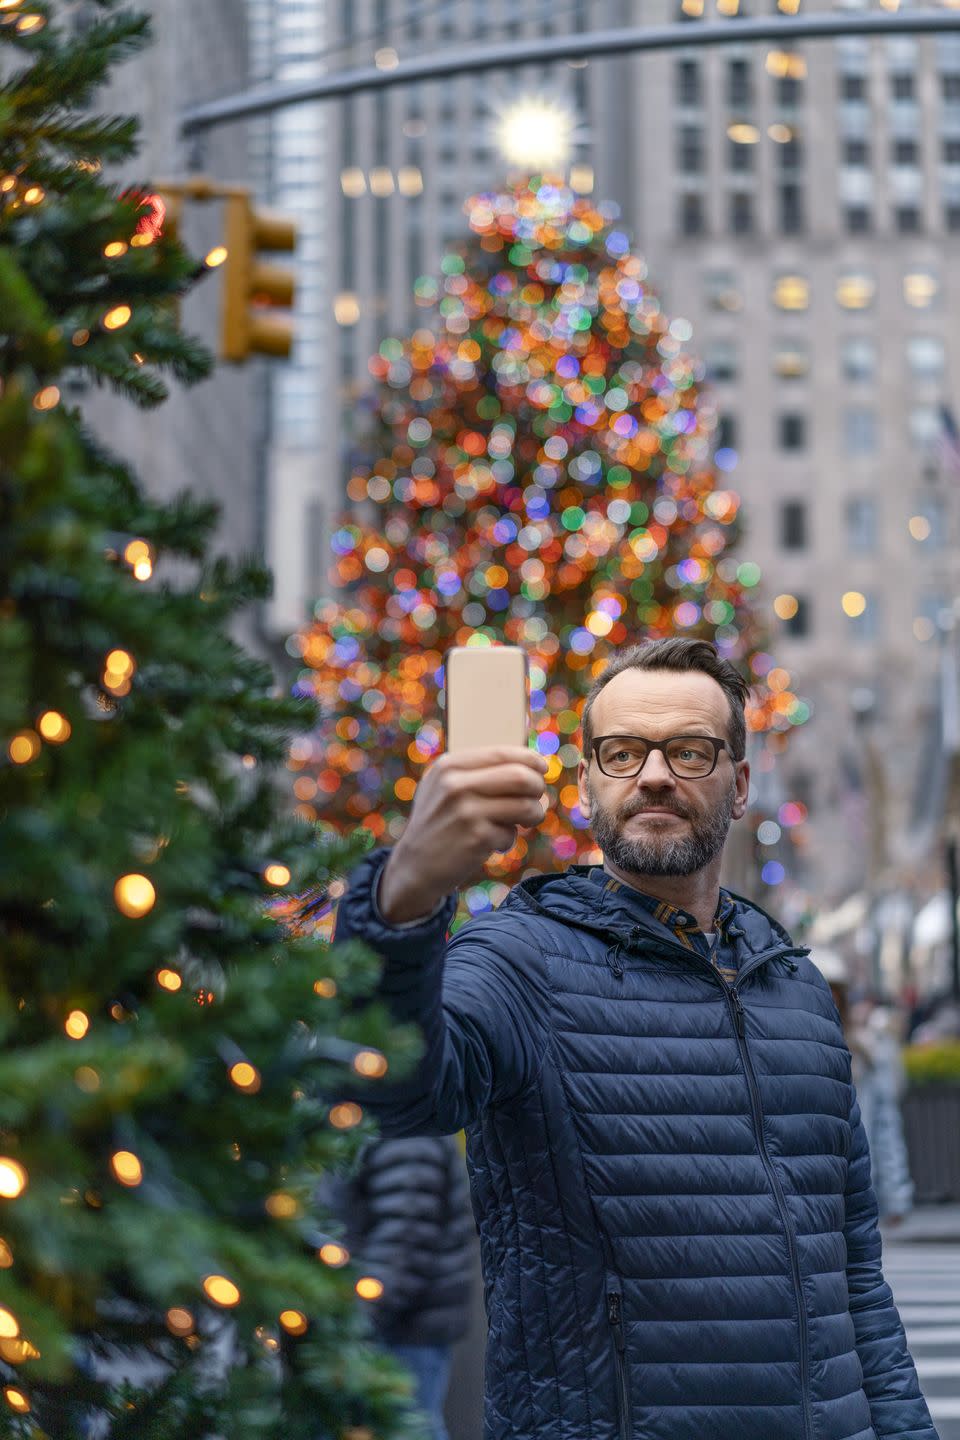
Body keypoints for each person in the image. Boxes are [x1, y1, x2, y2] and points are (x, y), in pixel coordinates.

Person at [334, 637, 938, 1440]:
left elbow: (856, 1277)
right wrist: (403, 898)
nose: (654, 775)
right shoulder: (519, 959)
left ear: (740, 783)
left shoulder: (794, 986)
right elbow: (392, 1089)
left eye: (689, 751)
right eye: (622, 753)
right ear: (587, 781)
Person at [337, 1135, 473, 1440]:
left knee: (410, 1427)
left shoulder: (407, 1128)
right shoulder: (386, 1118)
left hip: (402, 1327)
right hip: (395, 1321)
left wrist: (358, 1318)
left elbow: (404, 1242)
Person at [811, 949, 915, 1226]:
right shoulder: (787, 1050)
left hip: (857, 1191)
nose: (827, 1000)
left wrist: (896, 1195)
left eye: (833, 992)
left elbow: (885, 1128)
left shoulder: (866, 1052)